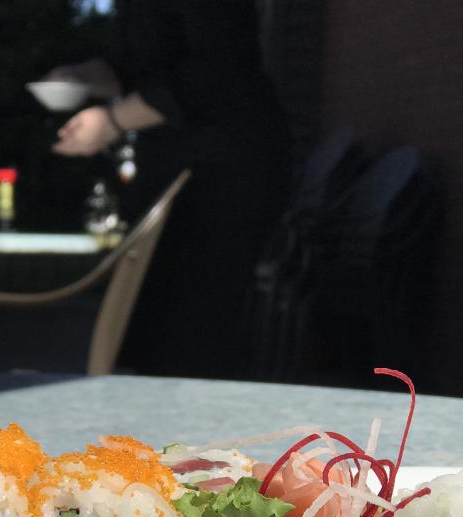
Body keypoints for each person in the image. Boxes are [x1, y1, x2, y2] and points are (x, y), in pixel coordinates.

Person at [50, 0, 291, 379]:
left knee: (197, 330)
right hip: (173, 168)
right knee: (153, 327)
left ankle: (207, 433)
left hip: (224, 171)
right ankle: (158, 430)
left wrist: (113, 120)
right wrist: (82, 78)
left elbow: (217, 70)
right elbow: (133, 65)